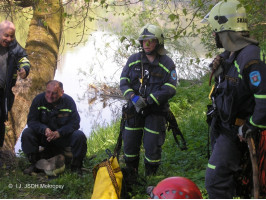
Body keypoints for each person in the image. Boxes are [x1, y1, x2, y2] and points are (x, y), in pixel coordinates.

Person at [202, 0, 266, 198]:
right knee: (236, 181)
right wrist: (219, 69)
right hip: (224, 128)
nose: (213, 35)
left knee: (215, 181)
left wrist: (251, 125)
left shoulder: (250, 57)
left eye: (215, 30)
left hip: (237, 133)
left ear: (225, 29)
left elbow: (264, 97)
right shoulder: (232, 54)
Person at [120, 24, 177, 177]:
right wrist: (133, 97)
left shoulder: (167, 63)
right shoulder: (133, 60)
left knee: (152, 145)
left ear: (158, 42)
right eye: (143, 41)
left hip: (156, 111)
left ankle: (150, 177)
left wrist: (150, 100)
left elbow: (171, 87)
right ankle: (132, 176)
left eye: (150, 41)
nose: (146, 44)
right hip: (134, 109)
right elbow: (123, 82)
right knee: (130, 144)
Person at [21, 80, 87, 175]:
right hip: (44, 137)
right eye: (48, 92)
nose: (50, 95)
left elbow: (75, 123)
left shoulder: (69, 102)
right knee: (27, 133)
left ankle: (76, 167)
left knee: (79, 135)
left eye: (54, 93)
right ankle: (34, 164)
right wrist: (44, 129)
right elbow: (31, 121)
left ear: (61, 93)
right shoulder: (38, 100)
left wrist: (60, 132)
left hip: (62, 137)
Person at [0, 20, 30, 148]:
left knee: (1, 122)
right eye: (6, 35)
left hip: (4, 94)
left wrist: (25, 69)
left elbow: (24, 59)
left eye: (12, 36)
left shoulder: (14, 47)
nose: (9, 39)